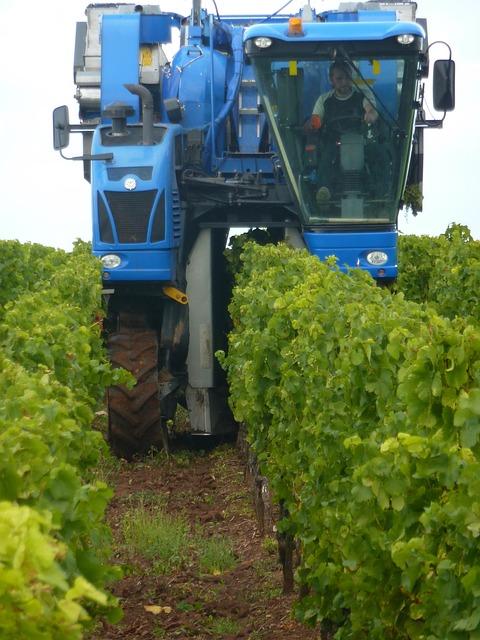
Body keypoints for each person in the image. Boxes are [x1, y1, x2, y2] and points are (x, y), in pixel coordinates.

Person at [305, 60, 379, 203]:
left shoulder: (361, 96)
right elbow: (316, 118)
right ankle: (324, 189)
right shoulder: (324, 100)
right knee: (326, 156)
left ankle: (379, 191)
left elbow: (371, 111)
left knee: (378, 154)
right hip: (334, 143)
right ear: (331, 80)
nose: (344, 82)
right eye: (339, 78)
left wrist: (370, 115)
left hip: (361, 141)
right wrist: (313, 123)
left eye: (347, 77)